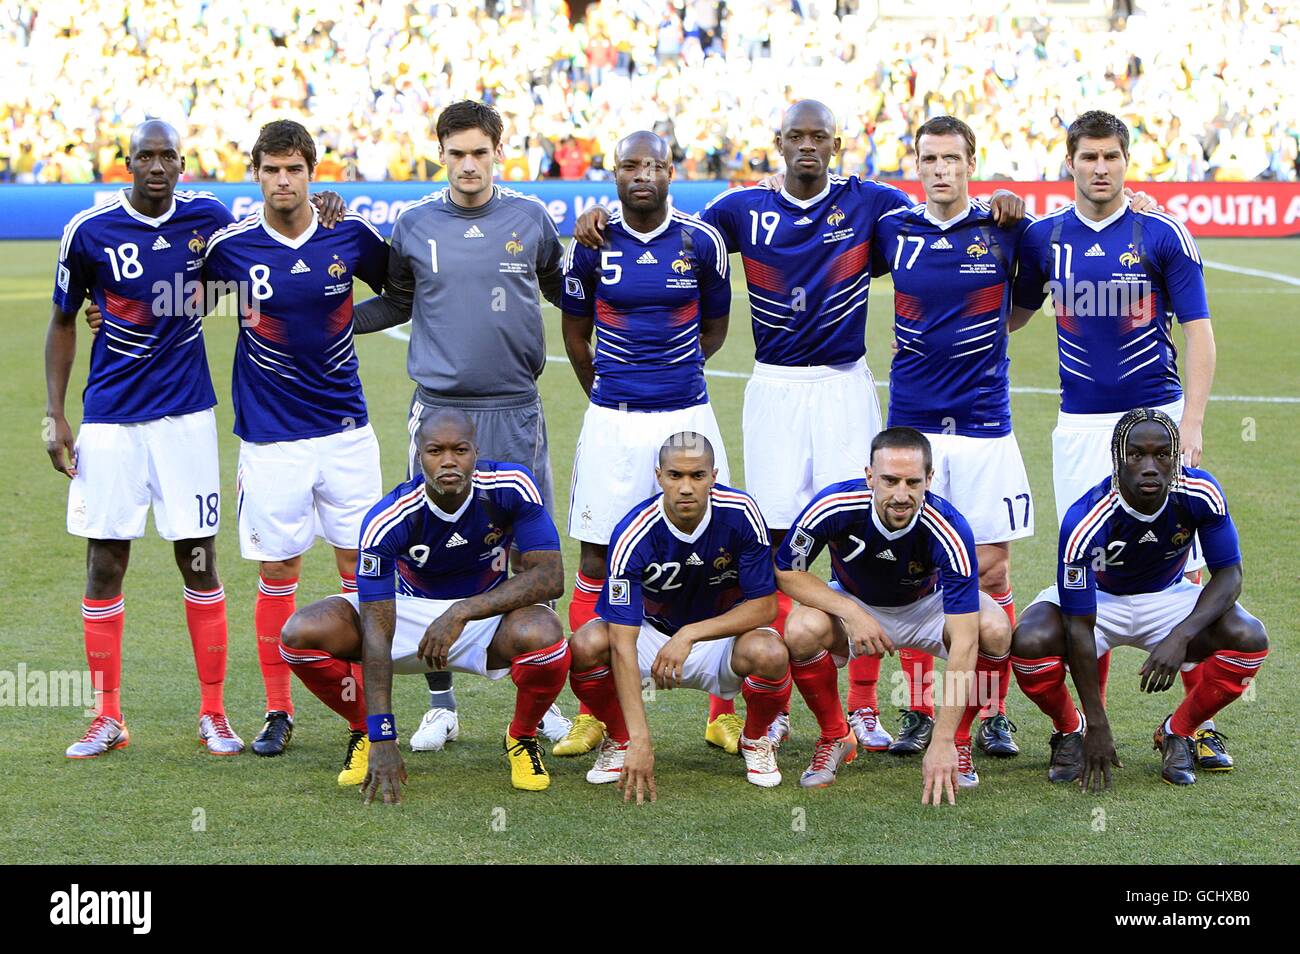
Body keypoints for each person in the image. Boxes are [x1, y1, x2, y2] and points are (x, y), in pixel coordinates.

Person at [575, 100, 1025, 755]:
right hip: (774, 390)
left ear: (837, 144)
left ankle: (865, 709)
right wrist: (603, 219)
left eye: (820, 137)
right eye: (797, 136)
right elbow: (668, 229)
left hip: (845, 384)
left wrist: (1004, 199)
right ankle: (767, 704)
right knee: (777, 538)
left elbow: (945, 210)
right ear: (778, 142)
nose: (808, 146)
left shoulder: (875, 203)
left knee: (857, 531)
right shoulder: (738, 209)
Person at [351, 100, 569, 752]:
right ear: (440, 154)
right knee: (430, 557)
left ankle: (541, 695)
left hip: (515, 407)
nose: (469, 165)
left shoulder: (530, 219)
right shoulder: (416, 224)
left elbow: (568, 292)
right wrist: (327, 323)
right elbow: (394, 301)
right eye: (457, 154)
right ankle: (440, 704)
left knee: (534, 553)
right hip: (442, 411)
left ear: (498, 151)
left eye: (480, 153)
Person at [1010, 110, 1222, 762]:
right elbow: (1013, 316)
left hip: (1155, 419)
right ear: (1068, 161)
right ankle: (1078, 728)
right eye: (1088, 157)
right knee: (1087, 571)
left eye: (1111, 157)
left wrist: (1191, 420)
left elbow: (1199, 332)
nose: (1100, 168)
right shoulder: (1042, 238)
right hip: (1081, 428)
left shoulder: (1162, 233)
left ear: (1126, 160)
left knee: (1185, 563)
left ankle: (1191, 727)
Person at [47, 120, 239, 757]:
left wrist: (323, 206)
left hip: (185, 418)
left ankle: (213, 711)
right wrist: (55, 414)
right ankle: (108, 717)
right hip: (109, 421)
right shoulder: (89, 231)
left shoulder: (209, 218)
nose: (156, 166)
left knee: (200, 559)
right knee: (105, 562)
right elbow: (62, 321)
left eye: (167, 157)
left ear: (183, 164)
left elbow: (251, 267)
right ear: (126, 163)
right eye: (144, 156)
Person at [202, 120, 389, 756]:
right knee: (277, 570)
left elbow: (406, 294)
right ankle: (278, 711)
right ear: (256, 174)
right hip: (270, 437)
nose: (284, 180)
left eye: (295, 169)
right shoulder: (229, 247)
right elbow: (179, 299)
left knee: (357, 571)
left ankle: (363, 717)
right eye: (272, 169)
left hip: (347, 434)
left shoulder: (350, 234)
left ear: (313, 171)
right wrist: (105, 310)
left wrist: (347, 325)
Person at [557, 130, 738, 757]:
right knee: (595, 558)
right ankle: (593, 713)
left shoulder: (702, 242)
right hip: (612, 420)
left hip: (687, 415)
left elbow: (714, 327)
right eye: (630, 164)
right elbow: (575, 335)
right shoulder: (589, 245)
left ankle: (725, 712)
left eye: (654, 164)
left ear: (670, 171)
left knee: (723, 552)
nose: (642, 174)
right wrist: (608, 394)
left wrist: (671, 381)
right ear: (613, 173)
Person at [278, 409, 569, 797]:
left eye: (460, 449)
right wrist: (384, 734)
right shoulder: (390, 517)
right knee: (301, 633)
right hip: (407, 618)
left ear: (475, 452)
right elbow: (377, 631)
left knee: (545, 633)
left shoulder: (511, 486)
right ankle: (363, 730)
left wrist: (461, 612)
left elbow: (550, 578)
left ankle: (522, 737)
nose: (448, 460)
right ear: (419, 456)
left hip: (484, 617)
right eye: (435, 450)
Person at [868, 116, 1033, 759]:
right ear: (918, 164)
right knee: (918, 573)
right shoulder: (894, 229)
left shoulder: (1004, 229)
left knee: (990, 568)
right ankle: (917, 709)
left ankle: (990, 711)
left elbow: (1023, 305)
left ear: (972, 162)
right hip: (913, 428)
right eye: (930, 158)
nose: (941, 169)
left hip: (986, 422)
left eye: (952, 158)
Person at [1010, 409, 1267, 788]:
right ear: (1118, 458)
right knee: (1029, 642)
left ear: (1175, 456)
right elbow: (1079, 625)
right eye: (1137, 455)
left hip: (1168, 597)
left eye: (1162, 455)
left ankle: (1178, 732)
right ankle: (1070, 730)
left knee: (1250, 638)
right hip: (1100, 600)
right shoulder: (1086, 517)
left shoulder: (1201, 493)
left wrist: (1180, 636)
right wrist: (1096, 724)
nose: (1150, 466)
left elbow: (1229, 576)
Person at [774, 428, 1009, 796]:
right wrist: (849, 612)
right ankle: (836, 735)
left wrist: (943, 738)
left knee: (994, 628)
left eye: (913, 482)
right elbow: (787, 571)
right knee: (801, 628)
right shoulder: (834, 506)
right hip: (855, 602)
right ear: (870, 476)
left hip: (927, 607)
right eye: (889, 480)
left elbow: (964, 642)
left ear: (929, 480)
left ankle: (959, 742)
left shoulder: (949, 527)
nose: (901, 495)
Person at [568, 433, 790, 800]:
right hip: (651, 636)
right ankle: (621, 740)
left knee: (770, 652)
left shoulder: (742, 514)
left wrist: (689, 635)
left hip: (720, 636)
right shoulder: (632, 532)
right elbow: (622, 644)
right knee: (586, 643)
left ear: (714, 476)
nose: (686, 487)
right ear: (658, 476)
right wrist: (641, 739)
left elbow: (764, 606)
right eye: (675, 476)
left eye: (697, 476)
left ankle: (755, 739)